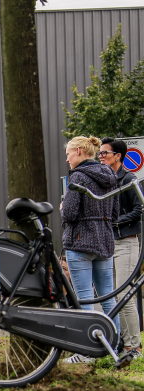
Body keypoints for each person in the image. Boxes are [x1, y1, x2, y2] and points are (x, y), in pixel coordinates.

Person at [61, 135, 120, 364]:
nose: (67, 159)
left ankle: (86, 351)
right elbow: (115, 214)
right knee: (108, 298)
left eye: (68, 154)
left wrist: (63, 205)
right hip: (104, 241)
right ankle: (113, 346)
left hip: (80, 241)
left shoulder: (78, 177)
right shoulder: (110, 175)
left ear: (78, 151)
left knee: (85, 298)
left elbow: (69, 214)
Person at [100, 137, 142, 359]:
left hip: (126, 242)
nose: (100, 157)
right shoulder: (106, 180)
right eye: (99, 154)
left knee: (125, 293)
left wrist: (113, 221)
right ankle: (125, 343)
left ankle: (134, 346)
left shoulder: (128, 179)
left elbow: (139, 209)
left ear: (117, 156)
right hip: (110, 243)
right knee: (114, 295)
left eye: (104, 153)